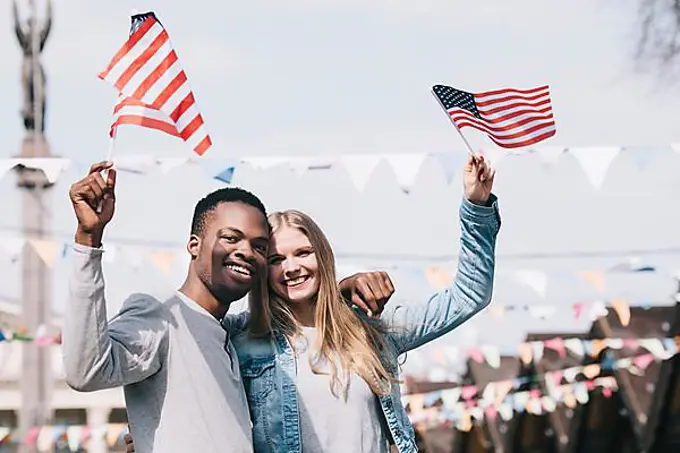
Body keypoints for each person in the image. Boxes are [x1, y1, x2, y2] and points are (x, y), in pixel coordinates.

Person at [127, 153, 500, 453]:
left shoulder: (372, 330)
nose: (291, 268)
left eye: (303, 253)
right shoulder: (239, 339)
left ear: (322, 256)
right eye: (276, 259)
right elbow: (182, 374)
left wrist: (477, 207)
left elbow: (469, 295)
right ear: (262, 269)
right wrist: (147, 438)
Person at [63, 161, 394, 453]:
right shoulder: (164, 315)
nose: (246, 252)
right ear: (194, 245)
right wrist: (88, 240)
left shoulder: (231, 336)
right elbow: (87, 370)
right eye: (231, 238)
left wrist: (335, 294)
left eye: (259, 246)